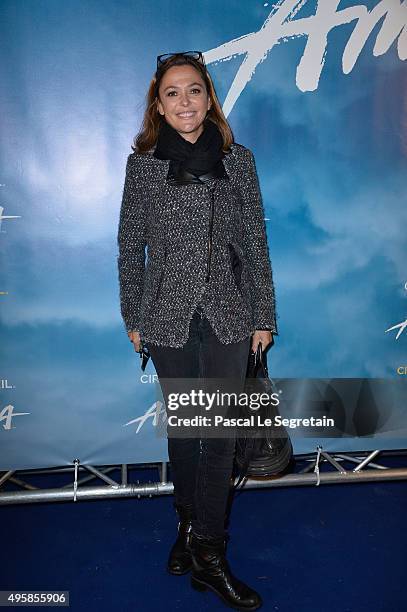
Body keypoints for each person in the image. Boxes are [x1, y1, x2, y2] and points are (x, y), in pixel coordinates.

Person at [117, 50, 278, 611]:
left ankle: (209, 554)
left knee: (222, 433)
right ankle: (187, 530)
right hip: (165, 316)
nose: (183, 102)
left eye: (193, 91)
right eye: (171, 93)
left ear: (209, 97)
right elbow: (128, 247)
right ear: (157, 106)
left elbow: (255, 243)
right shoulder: (143, 166)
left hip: (230, 313)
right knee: (187, 431)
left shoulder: (242, 161)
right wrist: (133, 317)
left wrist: (264, 315)